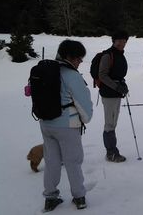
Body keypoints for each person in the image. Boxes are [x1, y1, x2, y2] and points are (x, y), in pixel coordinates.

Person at [40, 39, 93, 212]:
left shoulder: (45, 70)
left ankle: (50, 197)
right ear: (70, 57)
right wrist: (86, 119)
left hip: (46, 123)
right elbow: (83, 103)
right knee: (73, 161)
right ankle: (79, 197)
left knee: (52, 161)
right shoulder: (71, 75)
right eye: (79, 58)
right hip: (67, 125)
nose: (80, 62)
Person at [99, 30, 129, 162]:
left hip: (116, 93)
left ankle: (112, 151)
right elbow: (102, 75)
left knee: (112, 123)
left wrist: (122, 84)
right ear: (113, 41)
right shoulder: (108, 55)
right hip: (109, 93)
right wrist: (117, 86)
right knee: (109, 124)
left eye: (124, 41)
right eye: (119, 41)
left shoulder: (119, 54)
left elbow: (117, 74)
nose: (122, 43)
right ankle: (111, 153)